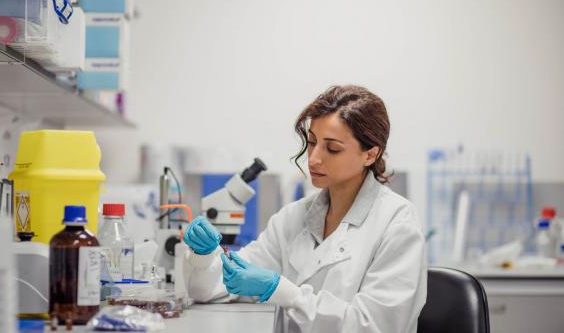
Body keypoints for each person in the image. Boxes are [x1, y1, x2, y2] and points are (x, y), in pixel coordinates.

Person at [183, 85, 427, 332]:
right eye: (312, 143)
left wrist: (285, 293)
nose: (313, 159)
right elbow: (211, 290)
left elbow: (374, 326)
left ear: (370, 154)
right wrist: (203, 257)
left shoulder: (397, 223)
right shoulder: (293, 218)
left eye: (332, 148)